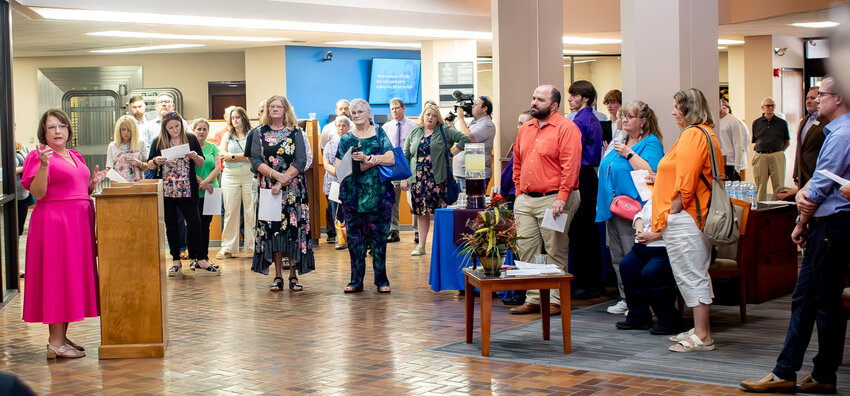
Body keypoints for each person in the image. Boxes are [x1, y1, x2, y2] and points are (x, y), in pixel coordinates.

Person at [740, 76, 850, 394]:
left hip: (831, 225)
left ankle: (811, 373)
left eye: (822, 95)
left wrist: (802, 218)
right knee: (807, 299)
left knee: (822, 303)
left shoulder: (842, 134)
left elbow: (819, 186)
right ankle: (796, 371)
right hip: (826, 224)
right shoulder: (832, 129)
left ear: (839, 98)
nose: (816, 100)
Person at [21, 109, 107, 359]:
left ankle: (59, 337)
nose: (58, 131)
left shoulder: (74, 155)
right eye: (51, 127)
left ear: (69, 130)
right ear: (44, 133)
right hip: (55, 225)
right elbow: (37, 194)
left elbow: (76, 189)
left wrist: (92, 184)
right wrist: (43, 166)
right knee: (58, 278)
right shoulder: (40, 157)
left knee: (70, 278)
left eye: (62, 126)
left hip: (78, 224)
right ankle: (55, 343)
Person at [652, 88, 722, 353]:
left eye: (676, 107)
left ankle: (704, 336)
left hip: (687, 216)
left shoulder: (694, 134)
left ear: (688, 109)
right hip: (688, 216)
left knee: (692, 274)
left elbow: (687, 181)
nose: (673, 112)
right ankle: (699, 329)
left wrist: (672, 209)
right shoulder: (702, 133)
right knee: (690, 273)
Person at [509, 85, 582, 316]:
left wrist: (562, 197)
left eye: (540, 100)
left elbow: (571, 165)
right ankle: (533, 297)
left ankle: (553, 299)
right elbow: (517, 161)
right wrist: (519, 191)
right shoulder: (526, 128)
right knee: (527, 249)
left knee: (554, 249)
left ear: (553, 105)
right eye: (533, 98)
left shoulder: (566, 128)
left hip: (555, 199)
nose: (534, 103)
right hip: (526, 200)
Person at [596, 100, 664, 315]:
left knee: (631, 257)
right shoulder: (621, 139)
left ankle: (641, 303)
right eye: (623, 116)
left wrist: (629, 153)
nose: (624, 120)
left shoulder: (650, 143)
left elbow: (652, 171)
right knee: (617, 258)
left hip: (634, 210)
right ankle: (627, 299)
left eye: (630, 116)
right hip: (613, 208)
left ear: (643, 121)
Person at [250, 95, 314, 292]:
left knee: (293, 232)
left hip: (294, 190)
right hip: (269, 190)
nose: (275, 109)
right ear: (267, 110)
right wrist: (276, 177)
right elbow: (254, 161)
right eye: (272, 106)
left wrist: (284, 179)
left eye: (279, 106)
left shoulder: (296, 132)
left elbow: (301, 160)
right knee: (273, 231)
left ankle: (293, 275)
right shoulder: (258, 133)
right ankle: (278, 276)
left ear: (286, 110)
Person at [145, 111, 215, 276]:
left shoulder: (190, 139)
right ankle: (175, 259)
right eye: (171, 127)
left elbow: (201, 161)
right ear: (165, 129)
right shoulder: (158, 141)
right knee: (171, 225)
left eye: (177, 126)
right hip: (168, 190)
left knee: (195, 223)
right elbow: (149, 165)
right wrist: (156, 161)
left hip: (188, 188)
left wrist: (194, 155)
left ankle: (201, 258)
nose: (175, 130)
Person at [337, 99, 396, 293]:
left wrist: (370, 159)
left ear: (369, 114)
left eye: (360, 111)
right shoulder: (346, 139)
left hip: (379, 196)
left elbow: (391, 158)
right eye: (353, 112)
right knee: (355, 241)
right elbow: (338, 168)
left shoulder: (380, 134)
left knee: (379, 240)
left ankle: (382, 280)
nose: (356, 115)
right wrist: (358, 166)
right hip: (353, 197)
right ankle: (356, 281)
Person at [401, 104, 470, 256]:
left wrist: (451, 153)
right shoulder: (415, 132)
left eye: (433, 115)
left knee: (440, 213)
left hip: (439, 179)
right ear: (423, 117)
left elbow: (465, 139)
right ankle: (421, 246)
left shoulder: (444, 131)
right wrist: (404, 178)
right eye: (427, 115)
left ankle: (443, 245)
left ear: (437, 118)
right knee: (422, 213)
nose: (430, 117)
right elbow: (406, 155)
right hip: (418, 180)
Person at [615, 200, 683, 334]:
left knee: (651, 273)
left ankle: (669, 319)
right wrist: (639, 229)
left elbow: (681, 227)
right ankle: (638, 317)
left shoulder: (680, 200)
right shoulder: (655, 196)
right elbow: (638, 216)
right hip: (642, 246)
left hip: (665, 248)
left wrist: (656, 236)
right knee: (627, 266)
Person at [566, 80, 605, 300]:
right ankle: (591, 282)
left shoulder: (580, 121)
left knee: (581, 232)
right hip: (588, 176)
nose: (570, 99)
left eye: (574, 95)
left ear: (585, 98)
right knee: (585, 232)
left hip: (581, 176)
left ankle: (587, 283)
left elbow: (572, 153)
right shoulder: (590, 119)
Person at [776, 87, 829, 200]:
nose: (808, 101)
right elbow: (799, 149)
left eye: (812, 98)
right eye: (807, 98)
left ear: (820, 99)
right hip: (803, 173)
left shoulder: (827, 121)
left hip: (817, 173)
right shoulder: (804, 121)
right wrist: (796, 173)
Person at [217, 106, 255, 259]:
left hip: (249, 175)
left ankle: (252, 247)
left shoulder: (252, 134)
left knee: (251, 211)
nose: (235, 120)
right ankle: (227, 248)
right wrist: (241, 156)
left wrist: (232, 156)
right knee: (230, 211)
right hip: (230, 176)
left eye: (238, 117)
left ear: (244, 118)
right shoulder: (227, 135)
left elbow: (252, 155)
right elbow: (222, 155)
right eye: (233, 118)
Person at [382, 98, 418, 243]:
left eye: (397, 108)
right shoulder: (386, 127)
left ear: (403, 108)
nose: (395, 111)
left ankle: (417, 231)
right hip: (392, 167)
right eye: (392, 109)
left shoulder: (414, 126)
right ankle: (393, 230)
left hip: (409, 166)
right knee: (392, 200)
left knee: (413, 200)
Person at [191, 118, 222, 274]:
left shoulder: (213, 147)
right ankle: (194, 258)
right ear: (194, 130)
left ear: (207, 131)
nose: (201, 132)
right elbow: (189, 168)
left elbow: (217, 168)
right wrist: (201, 182)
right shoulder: (190, 147)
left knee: (206, 225)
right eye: (199, 129)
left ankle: (204, 257)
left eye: (204, 129)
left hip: (211, 190)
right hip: (195, 189)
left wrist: (207, 182)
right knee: (194, 225)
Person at [451, 96, 497, 191]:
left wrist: (461, 119)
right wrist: (450, 123)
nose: (472, 107)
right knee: (460, 204)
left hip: (474, 174)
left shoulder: (487, 125)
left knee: (470, 204)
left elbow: (467, 138)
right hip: (461, 173)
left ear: (485, 108)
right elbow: (460, 139)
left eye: (475, 105)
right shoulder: (474, 123)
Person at [751, 97, 790, 200]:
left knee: (779, 185)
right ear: (762, 107)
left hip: (777, 155)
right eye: (768, 106)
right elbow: (756, 139)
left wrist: (778, 152)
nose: (770, 108)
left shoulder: (782, 123)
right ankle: (760, 207)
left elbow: (787, 142)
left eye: (772, 106)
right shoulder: (756, 123)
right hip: (760, 156)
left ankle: (779, 208)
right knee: (760, 185)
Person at [323, 116, 351, 250]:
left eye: (344, 126)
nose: (341, 128)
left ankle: (352, 239)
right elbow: (326, 163)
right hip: (333, 183)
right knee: (336, 212)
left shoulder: (353, 142)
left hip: (350, 181)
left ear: (348, 127)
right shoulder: (330, 144)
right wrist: (337, 173)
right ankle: (341, 240)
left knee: (350, 211)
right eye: (339, 126)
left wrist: (345, 174)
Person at [106, 115, 148, 183]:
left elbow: (146, 166)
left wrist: (139, 163)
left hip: (138, 184)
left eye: (129, 130)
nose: (126, 133)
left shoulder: (140, 143)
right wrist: (114, 181)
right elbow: (109, 168)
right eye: (123, 129)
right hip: (119, 185)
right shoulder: (113, 146)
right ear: (119, 130)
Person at [716, 98, 748, 181]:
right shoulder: (713, 121)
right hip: (717, 163)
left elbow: (739, 145)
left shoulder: (733, 121)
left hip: (730, 164)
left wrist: (737, 168)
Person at [14, 140, 35, 236]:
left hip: (24, 191)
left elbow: (29, 160)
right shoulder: (6, 148)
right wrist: (25, 167)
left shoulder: (21, 146)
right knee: (15, 228)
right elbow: (9, 170)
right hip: (14, 192)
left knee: (20, 227)